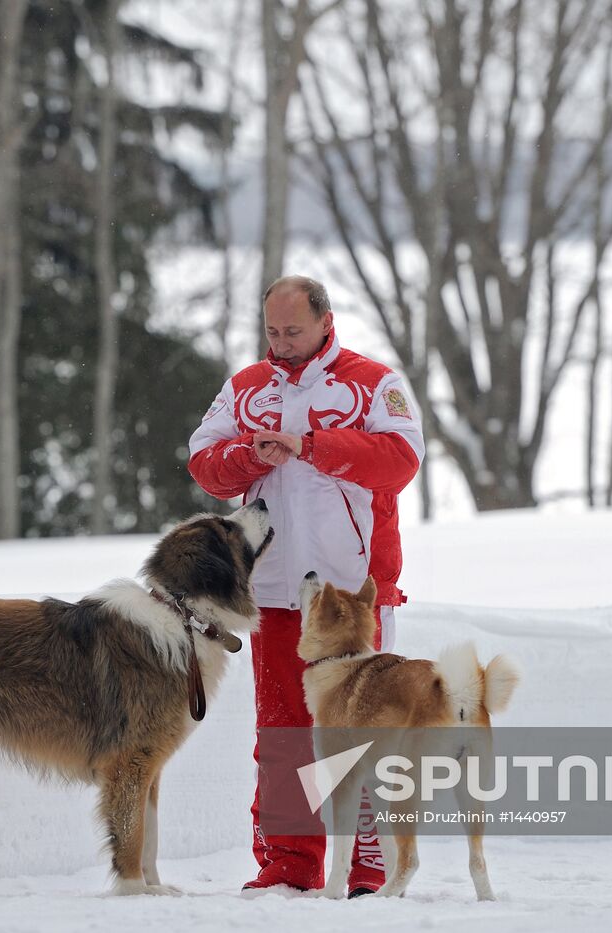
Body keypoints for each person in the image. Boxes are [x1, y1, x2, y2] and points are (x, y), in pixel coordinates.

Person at [187, 275, 425, 895]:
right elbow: (203, 460)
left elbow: (400, 461)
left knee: (363, 730)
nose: (281, 341)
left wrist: (313, 446)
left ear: (326, 320)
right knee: (284, 733)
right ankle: (289, 866)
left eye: (293, 330)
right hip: (270, 589)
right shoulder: (245, 387)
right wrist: (250, 458)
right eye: (272, 330)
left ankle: (370, 867)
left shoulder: (375, 383)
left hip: (353, 597)